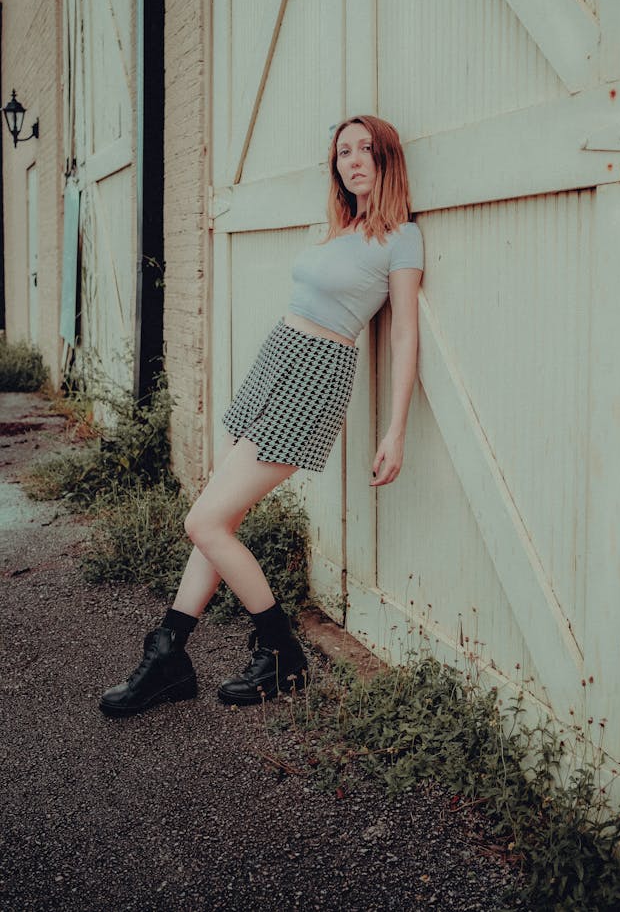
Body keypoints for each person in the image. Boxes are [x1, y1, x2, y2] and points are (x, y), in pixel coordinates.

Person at [99, 115, 424, 717]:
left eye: (365, 150)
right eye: (343, 152)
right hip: (275, 364)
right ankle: (169, 653)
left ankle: (281, 655)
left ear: (387, 159)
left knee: (205, 522)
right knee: (219, 516)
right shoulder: (340, 229)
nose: (352, 161)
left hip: (313, 379)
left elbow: (404, 335)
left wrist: (395, 428)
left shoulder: (400, 238)